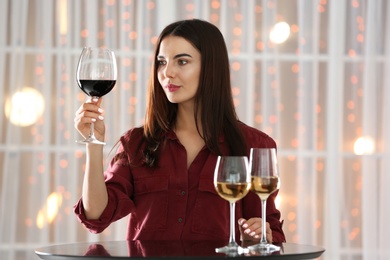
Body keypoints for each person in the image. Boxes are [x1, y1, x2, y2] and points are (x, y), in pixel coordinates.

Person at [74, 19, 285, 243]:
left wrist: (261, 234)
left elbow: (271, 233)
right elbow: (96, 216)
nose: (167, 73)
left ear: (211, 67)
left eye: (182, 61)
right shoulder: (137, 142)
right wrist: (94, 143)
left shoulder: (254, 145)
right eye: (162, 62)